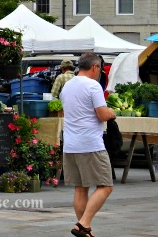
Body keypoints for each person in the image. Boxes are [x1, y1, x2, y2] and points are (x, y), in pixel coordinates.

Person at [60, 52, 117, 237]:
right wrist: (112, 112)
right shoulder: (93, 86)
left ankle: (85, 230)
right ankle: (83, 223)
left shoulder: (67, 86)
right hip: (90, 144)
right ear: (95, 67)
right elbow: (101, 114)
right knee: (106, 186)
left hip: (70, 145)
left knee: (80, 188)